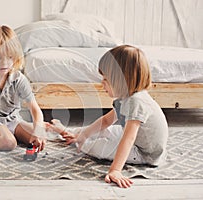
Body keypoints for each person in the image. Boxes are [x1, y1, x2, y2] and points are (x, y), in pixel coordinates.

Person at [47, 45, 168, 188]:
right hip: (135, 140)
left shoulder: (136, 102)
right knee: (100, 131)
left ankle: (75, 140)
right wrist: (84, 134)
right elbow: (106, 121)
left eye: (106, 79)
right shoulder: (126, 98)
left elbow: (129, 139)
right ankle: (73, 133)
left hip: (144, 152)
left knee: (97, 147)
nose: (101, 83)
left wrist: (115, 170)